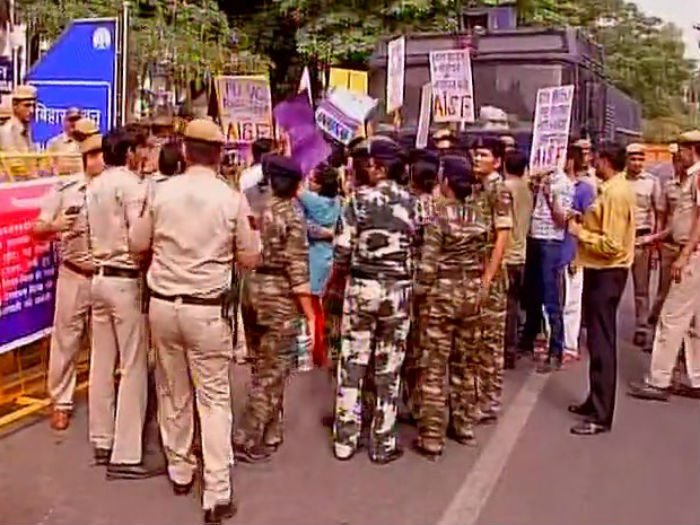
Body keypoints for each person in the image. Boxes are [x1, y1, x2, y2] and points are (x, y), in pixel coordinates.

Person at [130, 118, 259, 525]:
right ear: (220, 155)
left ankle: (180, 469)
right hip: (208, 311)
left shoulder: (160, 193)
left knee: (172, 390)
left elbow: (137, 244)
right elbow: (250, 257)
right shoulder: (231, 198)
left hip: (164, 306)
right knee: (215, 398)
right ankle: (216, 493)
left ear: (185, 151)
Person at [414, 155, 505, 458]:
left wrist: (418, 295)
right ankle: (463, 424)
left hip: (441, 296)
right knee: (465, 364)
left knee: (434, 366)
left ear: (447, 182)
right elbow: (485, 256)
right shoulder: (480, 218)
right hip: (471, 296)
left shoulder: (437, 218)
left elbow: (427, 268)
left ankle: (431, 436)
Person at [332, 137, 415, 464]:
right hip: (397, 292)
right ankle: (382, 442)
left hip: (362, 288)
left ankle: (345, 440)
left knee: (352, 363)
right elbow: (419, 245)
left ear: (377, 166)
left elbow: (341, 251)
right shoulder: (414, 202)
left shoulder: (357, 200)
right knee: (389, 367)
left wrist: (338, 283)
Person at [234, 155, 312, 463]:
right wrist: (308, 312)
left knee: (261, 365)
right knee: (273, 370)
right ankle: (248, 436)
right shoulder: (292, 215)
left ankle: (271, 429)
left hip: (251, 289)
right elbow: (297, 269)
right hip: (279, 296)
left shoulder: (257, 208)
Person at [86, 127, 150, 478]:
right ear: (129, 154)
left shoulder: (94, 185)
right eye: (139, 149)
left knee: (101, 360)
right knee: (132, 365)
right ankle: (126, 453)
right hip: (125, 279)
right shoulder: (131, 186)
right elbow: (139, 239)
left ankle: (101, 438)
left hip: (98, 275)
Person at [567, 141, 635, 435]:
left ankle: (601, 414)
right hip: (599, 269)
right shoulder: (609, 189)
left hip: (608, 271)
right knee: (596, 340)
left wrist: (577, 232)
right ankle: (594, 402)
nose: (592, 161)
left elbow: (612, 244)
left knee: (603, 342)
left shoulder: (617, 194)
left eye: (595, 158)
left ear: (606, 160)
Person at [33, 131, 99, 431]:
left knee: (104, 343)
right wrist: (55, 225)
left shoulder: (118, 190)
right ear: (85, 159)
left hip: (104, 277)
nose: (101, 160)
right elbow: (37, 228)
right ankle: (61, 401)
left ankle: (104, 403)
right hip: (73, 273)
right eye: (94, 155)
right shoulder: (66, 190)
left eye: (103, 154)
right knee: (66, 342)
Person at [628, 130, 700, 401]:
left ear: (691, 149)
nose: (677, 154)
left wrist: (684, 255)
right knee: (693, 323)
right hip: (687, 249)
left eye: (681, 148)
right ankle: (696, 379)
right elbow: (679, 222)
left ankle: (658, 380)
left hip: (690, 253)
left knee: (670, 319)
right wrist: (654, 238)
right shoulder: (689, 179)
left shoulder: (697, 177)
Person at [467, 136, 513, 419]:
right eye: (476, 154)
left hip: (491, 276)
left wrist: (487, 277)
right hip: (475, 270)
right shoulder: (478, 188)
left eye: (483, 155)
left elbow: (502, 236)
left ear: (496, 161)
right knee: (476, 339)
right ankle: (477, 396)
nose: (476, 158)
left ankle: (489, 400)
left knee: (490, 343)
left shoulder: (500, 190)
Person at [519, 153, 574, 373]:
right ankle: (529, 338)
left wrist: (550, 197)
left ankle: (556, 350)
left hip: (551, 241)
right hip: (534, 237)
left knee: (552, 299)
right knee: (532, 294)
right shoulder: (537, 180)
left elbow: (562, 221)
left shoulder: (564, 185)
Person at [402, 149, 440, 421]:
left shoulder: (403, 203)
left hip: (405, 278)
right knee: (422, 345)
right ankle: (418, 403)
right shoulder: (440, 207)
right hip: (430, 282)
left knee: (403, 341)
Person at [297, 163, 342, 367]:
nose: (310, 182)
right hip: (329, 256)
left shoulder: (314, 201)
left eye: (313, 180)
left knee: (312, 308)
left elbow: (296, 190)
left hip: (314, 257)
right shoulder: (339, 202)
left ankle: (316, 352)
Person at [561, 145, 596, 362]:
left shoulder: (584, 189)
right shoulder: (549, 187)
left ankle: (570, 345)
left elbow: (589, 224)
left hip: (573, 250)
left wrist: (576, 254)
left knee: (572, 301)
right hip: (553, 249)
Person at [624, 143, 661, 348]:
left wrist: (654, 242)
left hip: (642, 239)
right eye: (633, 159)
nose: (637, 163)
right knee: (615, 286)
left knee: (641, 289)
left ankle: (641, 328)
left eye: (640, 159)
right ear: (627, 160)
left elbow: (658, 213)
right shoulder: (619, 181)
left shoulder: (651, 183)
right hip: (621, 240)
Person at [648, 144, 685, 330]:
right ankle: (655, 328)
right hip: (669, 246)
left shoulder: (695, 184)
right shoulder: (669, 186)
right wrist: (656, 246)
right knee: (664, 292)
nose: (680, 165)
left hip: (689, 248)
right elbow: (660, 217)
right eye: (676, 161)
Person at [502, 150, 533, 369]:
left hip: (507, 254)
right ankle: (510, 351)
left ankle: (505, 351)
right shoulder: (527, 189)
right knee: (512, 306)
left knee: (504, 307)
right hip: (520, 252)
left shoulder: (506, 189)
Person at [46, 107, 82, 175]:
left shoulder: (87, 141)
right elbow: (49, 168)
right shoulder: (54, 143)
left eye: (77, 120)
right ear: (64, 122)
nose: (74, 123)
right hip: (61, 181)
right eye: (71, 120)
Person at [0, 84, 36, 152]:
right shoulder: (5, 133)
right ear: (15, 105)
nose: (31, 110)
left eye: (33, 106)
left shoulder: (28, 131)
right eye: (27, 106)